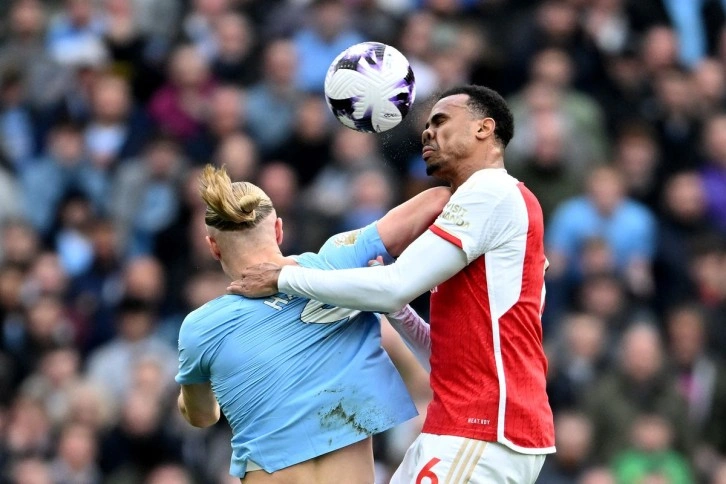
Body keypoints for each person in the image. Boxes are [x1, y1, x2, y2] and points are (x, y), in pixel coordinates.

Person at [230, 84, 555, 483]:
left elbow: (395, 284)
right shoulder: (488, 204)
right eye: (427, 125)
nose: (427, 132)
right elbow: (444, 358)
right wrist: (400, 313)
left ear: (484, 128)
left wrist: (284, 277)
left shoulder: (491, 191)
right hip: (462, 425)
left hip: (483, 427)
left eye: (441, 121)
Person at [176, 164, 451, 483]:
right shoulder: (337, 263)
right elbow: (439, 199)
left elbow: (202, 416)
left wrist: (190, 393)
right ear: (278, 230)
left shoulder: (200, 328)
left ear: (212, 247)